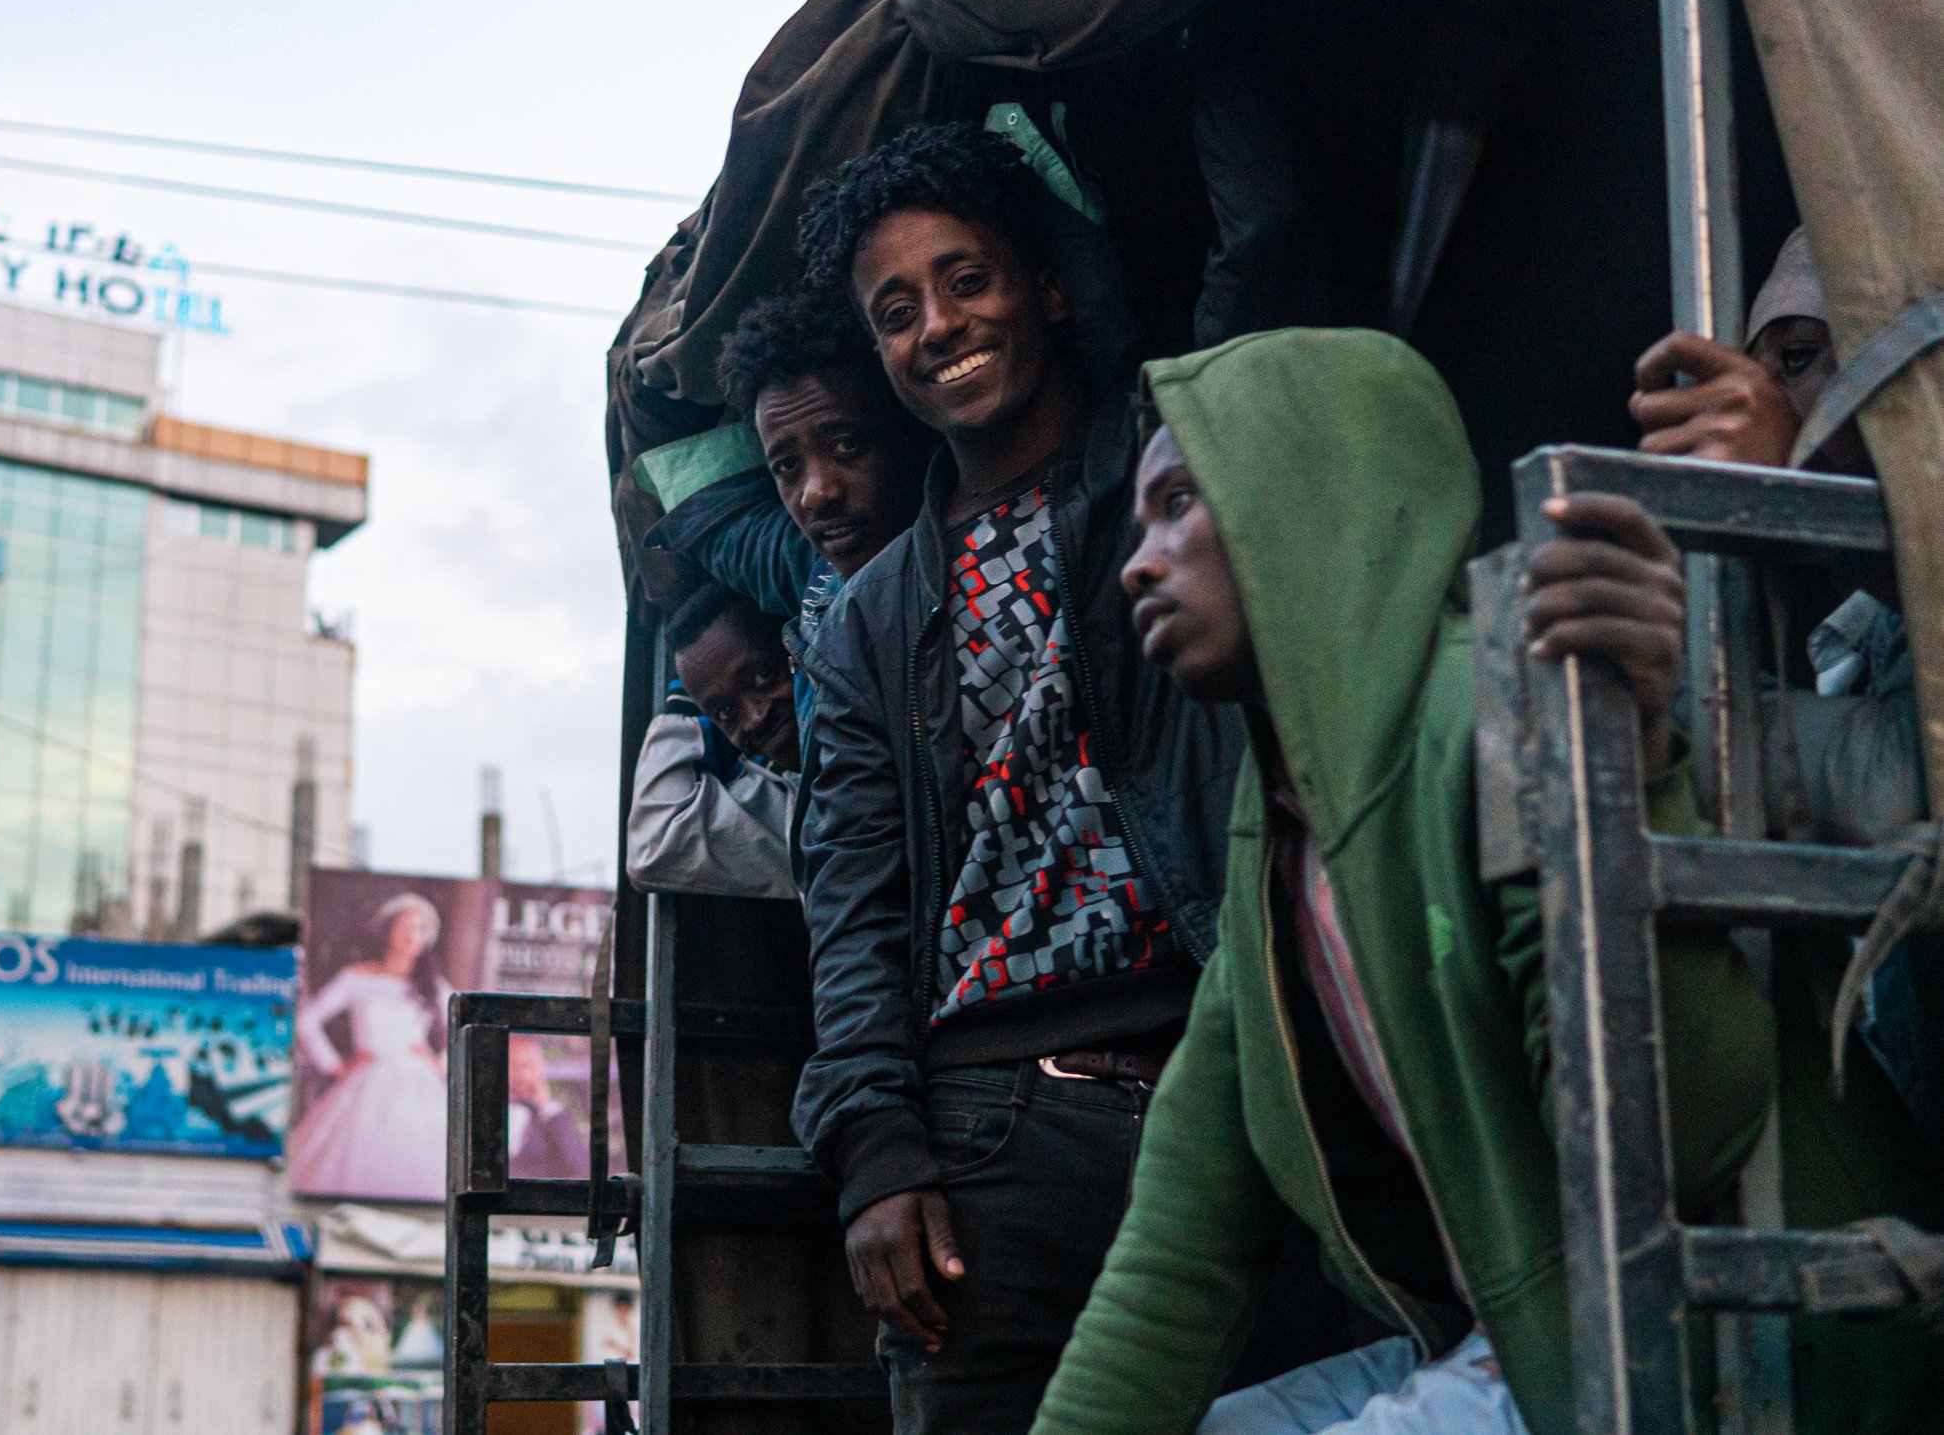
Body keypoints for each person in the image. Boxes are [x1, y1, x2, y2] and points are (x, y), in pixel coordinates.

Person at [1032, 326, 1938, 1435]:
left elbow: (1681, 1134)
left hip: (1758, 1330)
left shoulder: (1490, 713)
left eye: (1179, 501)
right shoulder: (1276, 845)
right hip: (1539, 1337)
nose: (1136, 559)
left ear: (1307, 489)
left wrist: (1640, 777)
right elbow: (1176, 1251)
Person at [787, 122, 1244, 1435]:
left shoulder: (1167, 471)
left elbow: (1267, 255)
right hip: (987, 1129)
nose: (937, 323)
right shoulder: (867, 621)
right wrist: (879, 1151)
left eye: (966, 278)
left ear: (1046, 288)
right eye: (897, 310)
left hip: (1218, 1079)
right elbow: (854, 907)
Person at [1628, 226, 1940, 1155]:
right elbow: (1756, 763)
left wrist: (1802, 492)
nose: (1756, 404)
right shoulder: (1853, 651)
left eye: (1798, 361)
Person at [648, 285, 935, 739]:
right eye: (786, 466)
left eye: (847, 445)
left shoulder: (975, 568)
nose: (815, 494)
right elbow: (713, 520)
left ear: (907, 432)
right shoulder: (810, 575)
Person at [625, 581, 804, 899]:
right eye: (726, 710)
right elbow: (654, 846)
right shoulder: (794, 816)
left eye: (763, 676)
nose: (754, 718)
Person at [291, 894, 452, 1200]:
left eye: (419, 930)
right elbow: (306, 1021)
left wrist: (442, 1062)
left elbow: (470, 1026)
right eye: (404, 926)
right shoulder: (357, 977)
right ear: (388, 930)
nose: (410, 936)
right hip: (366, 1081)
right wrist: (334, 1064)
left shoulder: (433, 985)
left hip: (417, 1085)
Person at [505, 1033, 590, 1180]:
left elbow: (580, 1168)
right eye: (517, 1066)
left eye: (532, 1067)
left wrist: (545, 1104)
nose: (524, 1076)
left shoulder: (549, 1119)